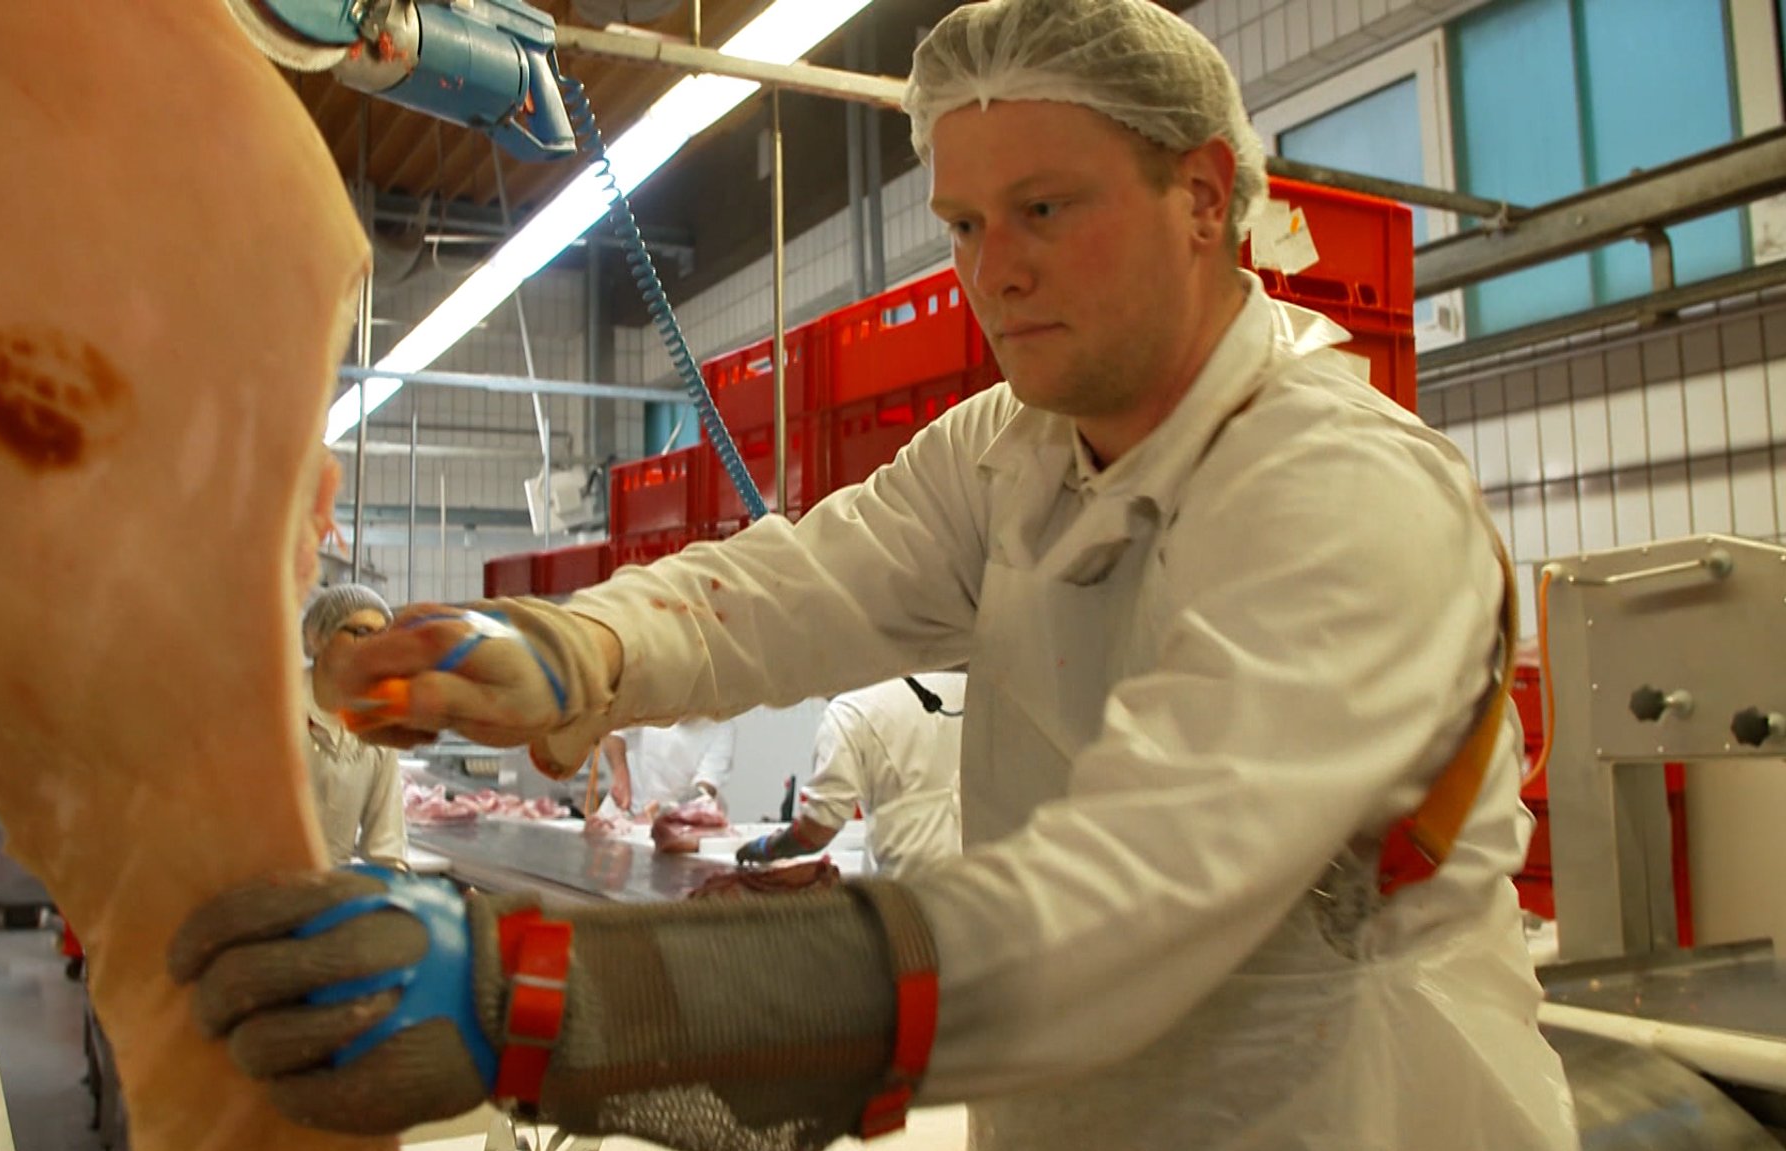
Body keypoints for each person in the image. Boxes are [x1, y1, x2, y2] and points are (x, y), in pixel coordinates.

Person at [170, 2, 1577, 1148]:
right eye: (965, 226)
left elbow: (1123, 911)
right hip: (1075, 1111)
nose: (994, 271)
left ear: (1203, 194)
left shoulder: (1336, 490)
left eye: (1043, 208)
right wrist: (568, 647)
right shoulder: (1013, 453)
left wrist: (537, 1000)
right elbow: (803, 580)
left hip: (1346, 1107)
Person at [737, 674, 965, 879]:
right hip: (985, 880)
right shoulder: (959, 683)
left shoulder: (848, 710)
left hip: (911, 885)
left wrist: (765, 848)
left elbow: (818, 828)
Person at [299, 584, 408, 870]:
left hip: (329, 899)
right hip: (258, 897)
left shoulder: (377, 726)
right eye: (361, 633)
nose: (374, 648)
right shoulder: (276, 709)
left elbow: (386, 849)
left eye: (382, 637)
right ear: (318, 637)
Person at [602, 716, 736, 812]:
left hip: (677, 819)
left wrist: (667, 811)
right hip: (622, 811)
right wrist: (620, 774)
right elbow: (614, 732)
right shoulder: (652, 699)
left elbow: (706, 785)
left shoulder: (722, 726)